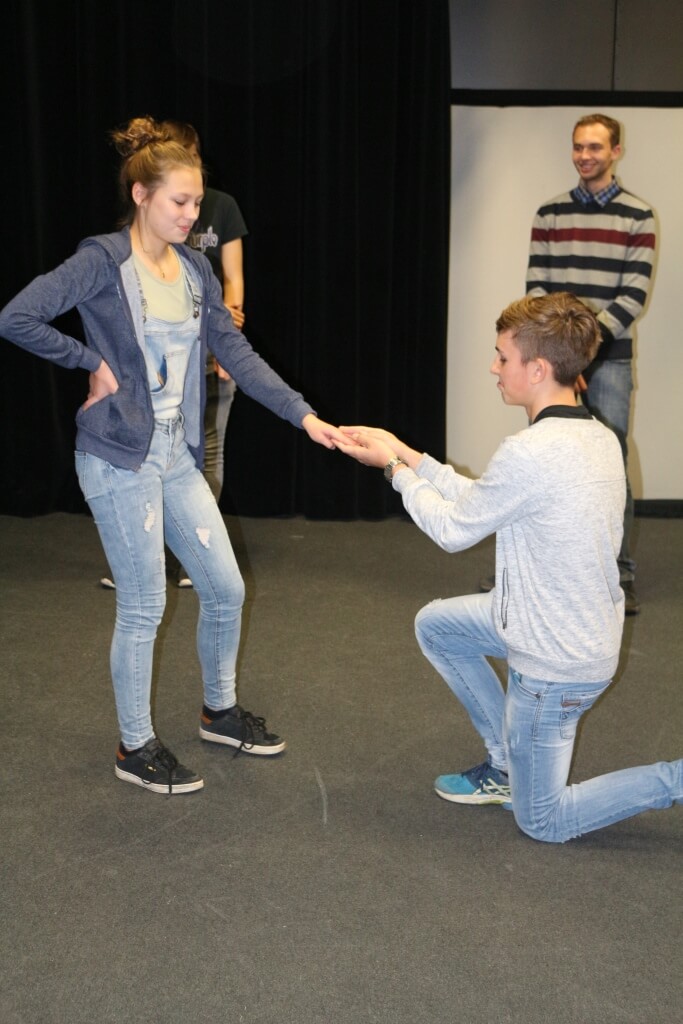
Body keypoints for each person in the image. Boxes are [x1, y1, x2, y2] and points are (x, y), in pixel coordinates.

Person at [0, 116, 346, 795]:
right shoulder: (101, 262)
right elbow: (16, 317)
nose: (192, 215)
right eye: (179, 201)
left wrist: (303, 416)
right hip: (118, 458)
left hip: (176, 453)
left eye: (196, 202)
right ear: (141, 195)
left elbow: (234, 350)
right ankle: (134, 747)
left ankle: (219, 711)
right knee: (143, 604)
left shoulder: (194, 269)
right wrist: (90, 361)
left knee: (225, 588)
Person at [335, 293, 681, 843]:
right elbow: (490, 498)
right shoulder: (598, 438)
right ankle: (504, 765)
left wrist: (394, 469)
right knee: (437, 626)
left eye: (502, 357)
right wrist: (406, 452)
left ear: (537, 369)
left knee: (544, 820)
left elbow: (453, 531)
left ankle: (674, 779)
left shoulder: (531, 452)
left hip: (554, 666)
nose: (494, 368)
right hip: (559, 626)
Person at [483, 114, 656, 615]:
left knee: (610, 461)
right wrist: (565, 355)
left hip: (608, 358)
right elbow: (537, 289)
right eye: (578, 146)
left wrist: (581, 350)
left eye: (595, 147)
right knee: (543, 459)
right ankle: (528, 570)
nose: (585, 155)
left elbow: (633, 295)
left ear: (616, 151)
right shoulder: (550, 213)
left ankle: (616, 574)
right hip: (553, 361)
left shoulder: (639, 216)